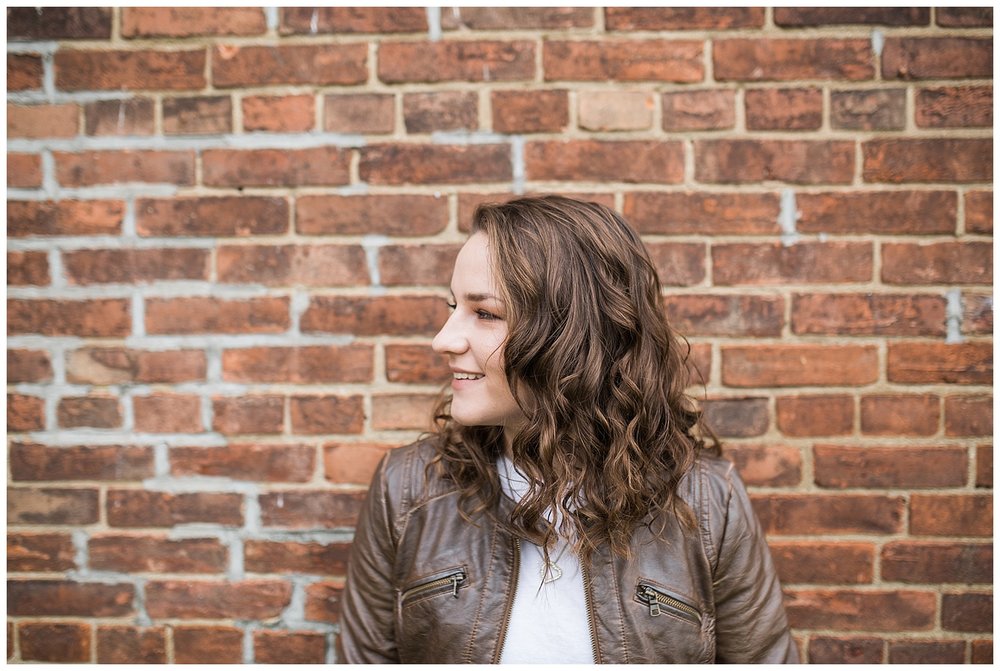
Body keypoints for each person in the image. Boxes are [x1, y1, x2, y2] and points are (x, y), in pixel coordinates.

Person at [339, 195, 797, 663]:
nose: (443, 339)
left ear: (573, 335)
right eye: (454, 306)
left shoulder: (706, 503)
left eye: (486, 313)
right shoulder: (407, 489)